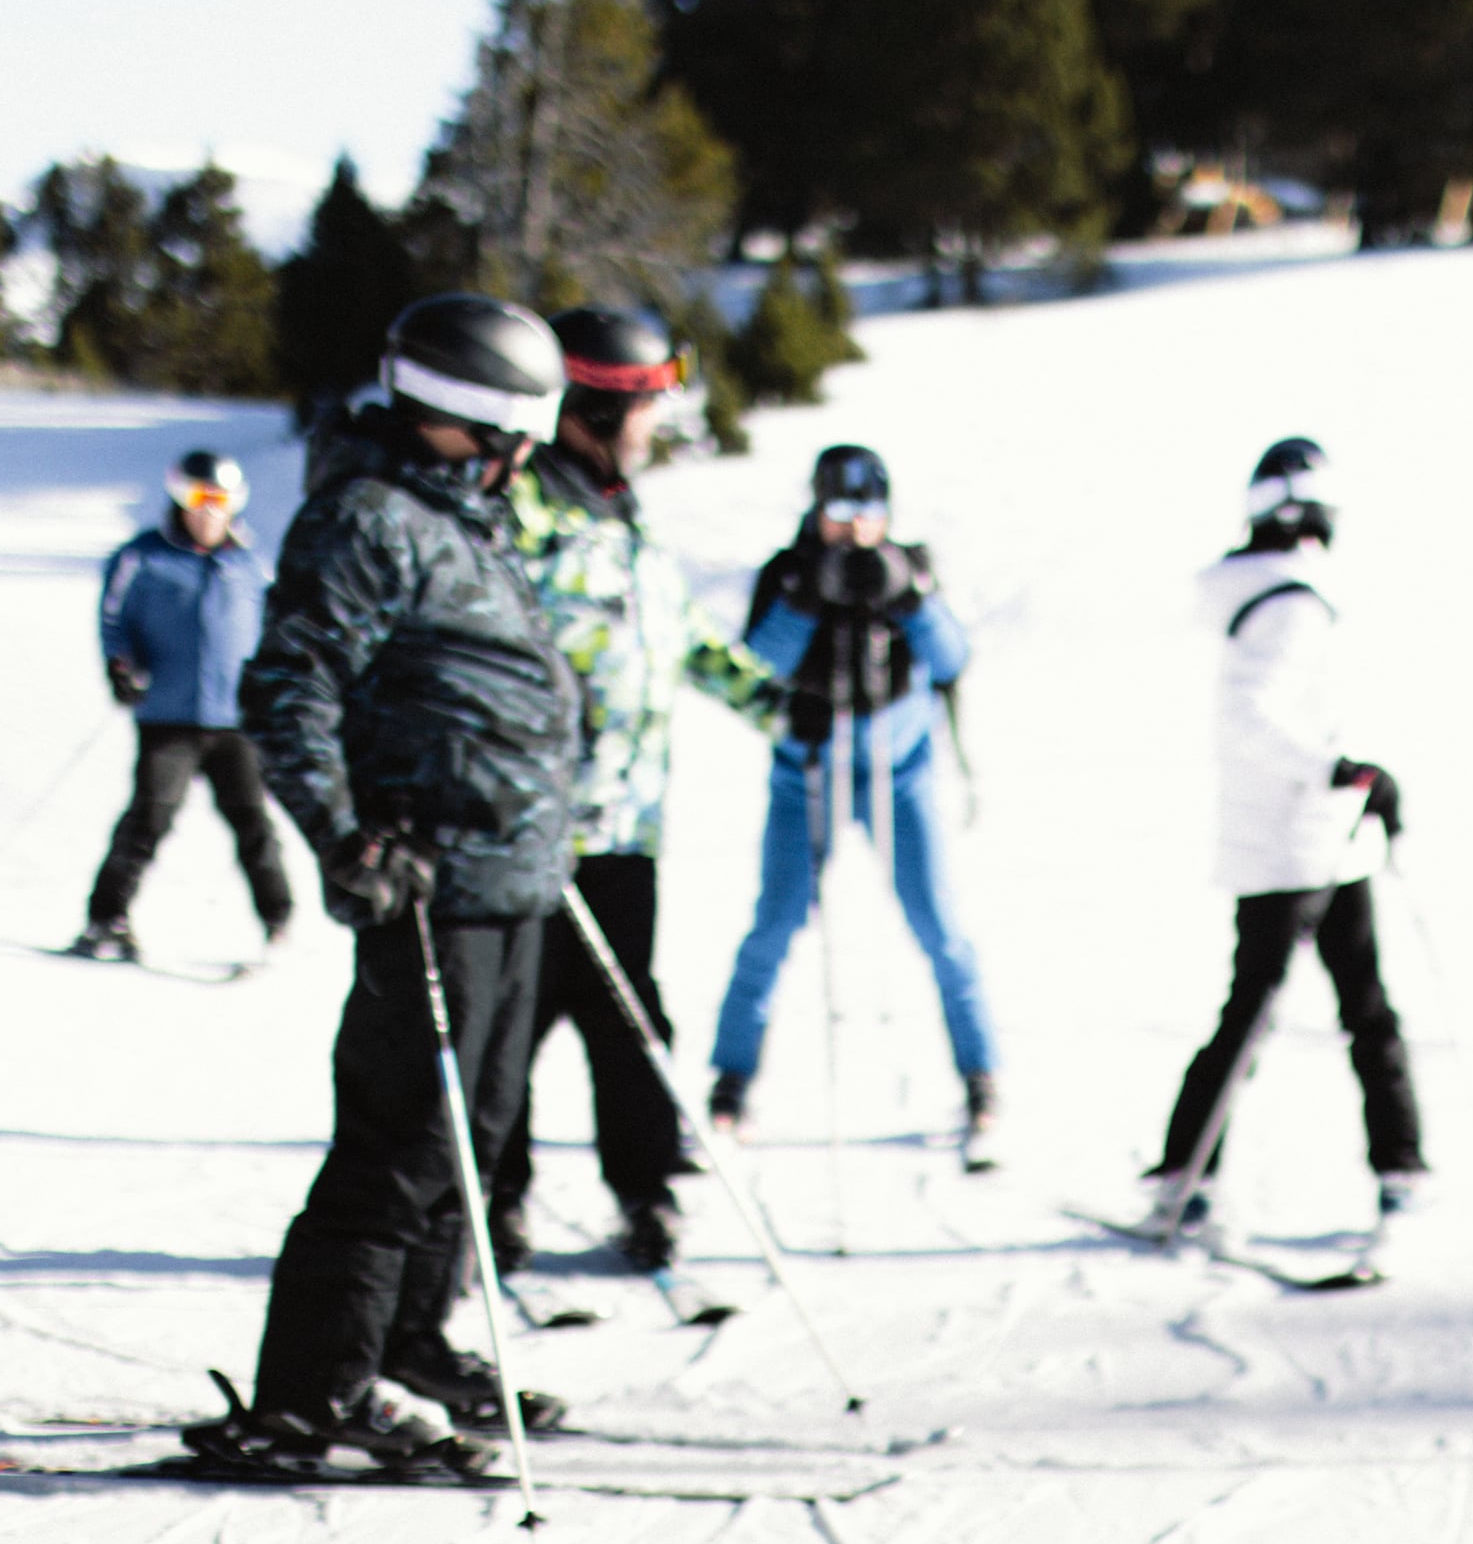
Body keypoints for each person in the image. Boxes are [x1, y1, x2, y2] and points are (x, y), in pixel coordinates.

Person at [180, 295, 584, 1480]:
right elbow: (289, 688)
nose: (530, 453)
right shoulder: (367, 518)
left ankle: (410, 1342)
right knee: (401, 1138)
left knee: (478, 1132)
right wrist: (348, 840)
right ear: (480, 418)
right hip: (428, 880)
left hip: (511, 874)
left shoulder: (467, 520)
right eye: (525, 427)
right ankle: (312, 1389)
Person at [490, 305, 778, 1275]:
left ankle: (645, 1189)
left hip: (624, 826)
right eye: (647, 404)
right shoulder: (519, 507)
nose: (657, 425)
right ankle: (491, 1201)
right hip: (529, 830)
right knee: (511, 1023)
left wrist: (783, 706)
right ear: (592, 403)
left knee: (630, 1018)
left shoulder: (620, 512)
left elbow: (678, 635)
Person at [1139, 438, 1424, 1237]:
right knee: (1291, 1008)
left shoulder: (1276, 594)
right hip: (1294, 847)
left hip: (1315, 840)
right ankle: (1186, 1174)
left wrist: (1352, 778)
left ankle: (1398, 1164)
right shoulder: (1293, 601)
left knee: (1331, 1005)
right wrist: (1336, 770)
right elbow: (1249, 718)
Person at [708, 443, 1000, 1167]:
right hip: (804, 772)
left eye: (869, 510)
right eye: (840, 510)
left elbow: (954, 658)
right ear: (816, 507)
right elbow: (756, 664)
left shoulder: (910, 562)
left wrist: (909, 597)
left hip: (898, 771)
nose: (855, 527)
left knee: (939, 926)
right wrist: (806, 603)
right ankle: (731, 1083)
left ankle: (982, 1079)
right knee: (774, 925)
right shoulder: (788, 570)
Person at [69, 450, 291, 959]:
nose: (208, 511)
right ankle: (107, 919)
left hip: (235, 720)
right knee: (150, 816)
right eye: (197, 498)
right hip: (168, 714)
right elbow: (113, 621)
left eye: (220, 501)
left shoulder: (248, 565)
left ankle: (278, 923)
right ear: (178, 498)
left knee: (252, 821)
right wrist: (122, 666)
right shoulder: (144, 557)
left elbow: (275, 630)